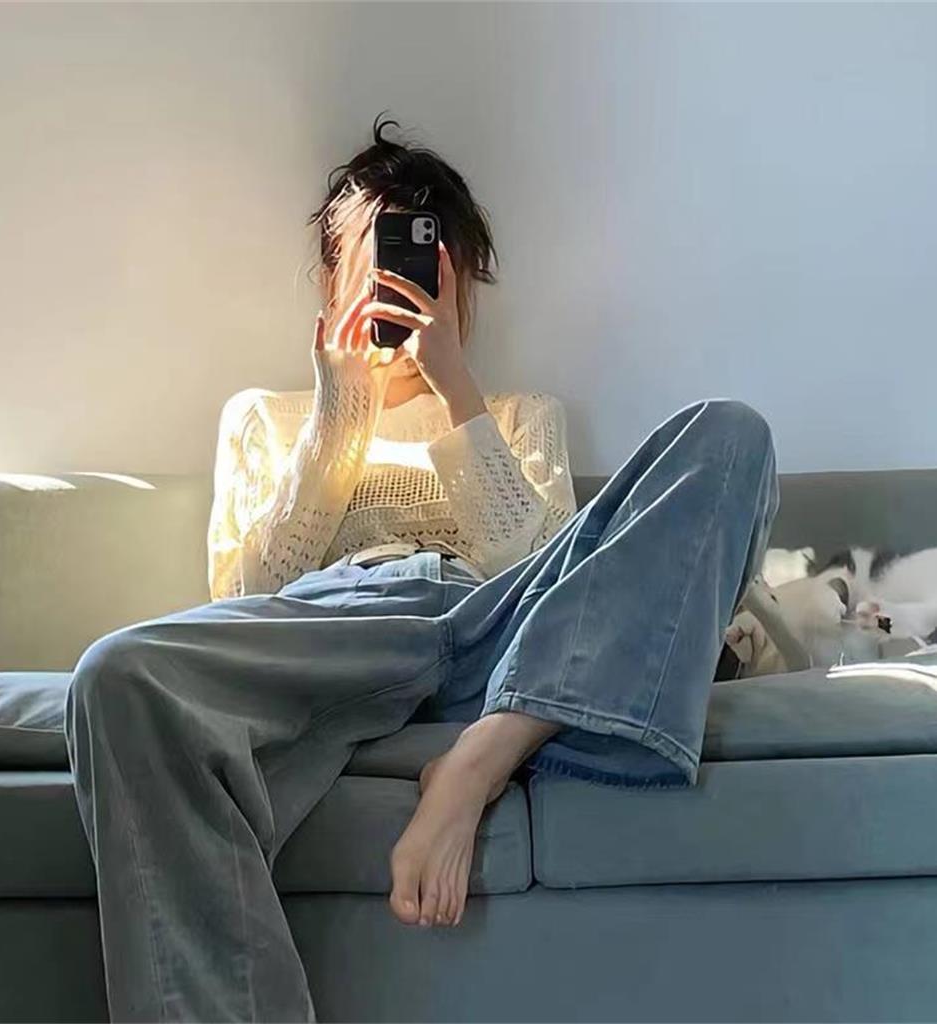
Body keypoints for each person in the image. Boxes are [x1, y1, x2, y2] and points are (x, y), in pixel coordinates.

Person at [65, 116, 781, 1023]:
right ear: (334, 278)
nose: (408, 284)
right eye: (383, 261)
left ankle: (478, 762)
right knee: (116, 676)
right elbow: (248, 597)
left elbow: (561, 582)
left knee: (730, 435)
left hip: (500, 633)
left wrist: (457, 394)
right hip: (338, 625)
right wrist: (339, 416)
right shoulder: (268, 418)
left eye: (431, 263)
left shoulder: (519, 413)